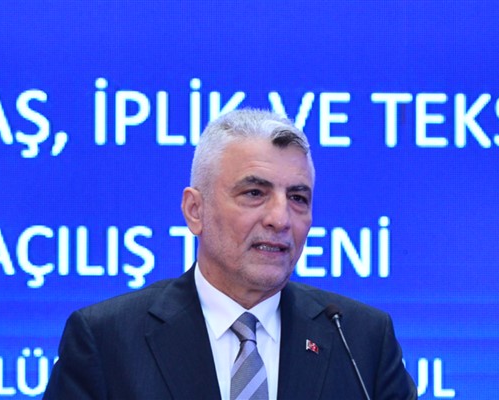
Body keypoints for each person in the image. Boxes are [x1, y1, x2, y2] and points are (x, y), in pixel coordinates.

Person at [43, 109, 417, 399]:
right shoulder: (107, 340)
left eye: (298, 198)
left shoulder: (361, 340)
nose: (280, 218)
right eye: (254, 193)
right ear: (195, 210)